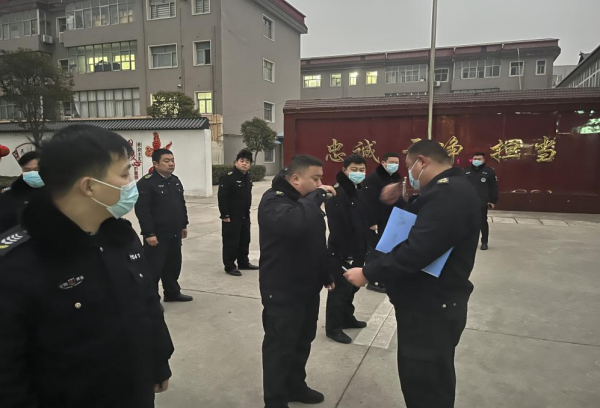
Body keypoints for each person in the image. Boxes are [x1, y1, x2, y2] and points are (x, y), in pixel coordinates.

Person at [0, 125, 174, 407]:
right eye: (124, 175)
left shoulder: (122, 237)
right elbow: (8, 372)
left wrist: (158, 360)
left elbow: (147, 304)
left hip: (133, 389)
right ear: (89, 186)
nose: (131, 183)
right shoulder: (20, 262)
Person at [344, 140, 480, 408]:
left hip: (430, 308)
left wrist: (368, 273)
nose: (408, 173)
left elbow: (418, 250)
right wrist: (400, 202)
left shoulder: (448, 193)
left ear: (422, 162)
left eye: (409, 166)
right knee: (425, 379)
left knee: (425, 387)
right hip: (432, 303)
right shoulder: (451, 189)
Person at [258, 155, 336, 408]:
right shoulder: (273, 200)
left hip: (307, 288)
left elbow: (316, 241)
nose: (320, 184)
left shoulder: (304, 203)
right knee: (280, 348)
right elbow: (294, 223)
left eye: (321, 179)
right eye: (315, 179)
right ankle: (275, 400)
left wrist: (325, 273)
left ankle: (295, 386)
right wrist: (316, 198)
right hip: (282, 289)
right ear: (295, 179)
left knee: (302, 341)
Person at [135, 149, 193, 302]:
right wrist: (149, 233)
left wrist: (184, 224)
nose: (171, 164)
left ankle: (172, 292)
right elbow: (143, 211)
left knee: (173, 265)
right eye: (166, 161)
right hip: (157, 235)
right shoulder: (146, 183)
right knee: (154, 269)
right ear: (155, 163)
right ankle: (152, 299)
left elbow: (181, 204)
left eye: (172, 160)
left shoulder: (175, 181)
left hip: (174, 232)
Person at [324, 154, 369, 344]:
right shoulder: (337, 193)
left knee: (351, 288)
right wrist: (346, 254)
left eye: (362, 170)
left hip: (357, 249)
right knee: (339, 291)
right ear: (345, 170)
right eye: (354, 170)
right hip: (342, 253)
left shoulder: (357, 190)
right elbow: (338, 227)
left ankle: (347, 318)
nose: (358, 173)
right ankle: (333, 328)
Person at [362, 151, 404, 293]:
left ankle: (382, 277)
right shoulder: (373, 178)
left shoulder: (396, 177)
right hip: (377, 221)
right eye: (391, 162)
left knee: (386, 249)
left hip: (391, 219)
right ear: (383, 162)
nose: (394, 165)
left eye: (396, 163)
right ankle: (373, 280)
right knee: (375, 250)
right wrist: (371, 222)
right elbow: (367, 202)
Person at [218, 149, 259, 276]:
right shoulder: (228, 177)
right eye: (242, 161)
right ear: (236, 162)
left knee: (244, 239)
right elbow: (222, 196)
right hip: (231, 216)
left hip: (244, 214)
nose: (244, 163)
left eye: (247, 162)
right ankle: (230, 266)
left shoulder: (247, 177)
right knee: (231, 241)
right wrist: (225, 214)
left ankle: (243, 262)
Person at [0, 151, 44, 231]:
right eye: (27, 170)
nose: (32, 173)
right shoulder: (8, 197)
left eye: (36, 169)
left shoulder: (60, 194)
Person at [464, 152, 498, 250]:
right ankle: (468, 241)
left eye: (479, 159)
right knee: (467, 222)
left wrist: (493, 200)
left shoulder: (489, 172)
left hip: (482, 202)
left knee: (482, 222)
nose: (476, 161)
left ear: (483, 160)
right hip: (468, 202)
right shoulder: (466, 171)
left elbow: (494, 187)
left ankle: (484, 242)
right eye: (475, 159)